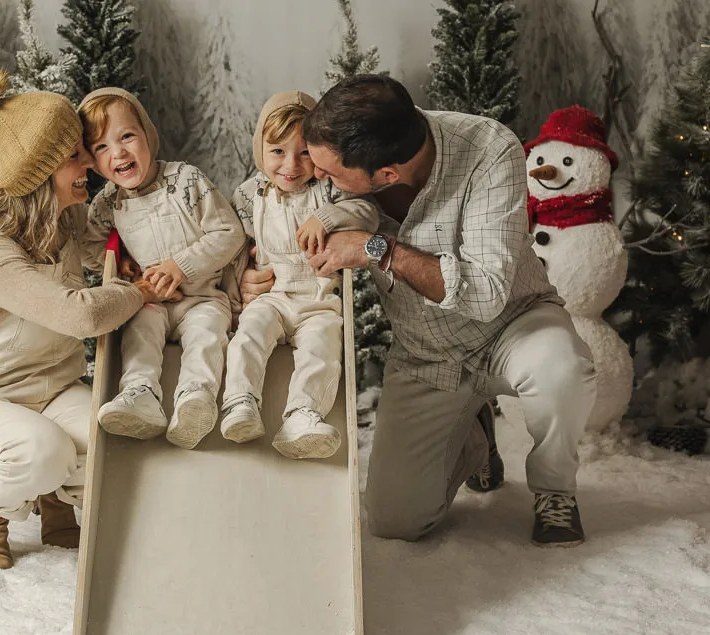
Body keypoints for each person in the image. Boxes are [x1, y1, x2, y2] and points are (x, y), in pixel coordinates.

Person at [241, 74, 596, 548]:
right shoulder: (336, 157)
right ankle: (474, 437)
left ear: (385, 177)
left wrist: (376, 248)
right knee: (395, 520)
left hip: (514, 322)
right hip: (427, 352)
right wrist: (245, 273)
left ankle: (554, 490)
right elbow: (267, 231)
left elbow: (488, 292)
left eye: (329, 174)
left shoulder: (489, 147)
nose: (316, 178)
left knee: (563, 368)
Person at [0, 70, 166, 572]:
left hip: (52, 391)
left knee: (117, 444)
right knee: (43, 448)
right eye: (75, 155)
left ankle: (56, 499)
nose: (88, 164)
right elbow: (77, 315)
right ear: (39, 174)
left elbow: (138, 234)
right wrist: (135, 291)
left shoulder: (68, 221)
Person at [78, 88, 245, 450]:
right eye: (102, 147)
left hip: (201, 297)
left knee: (207, 336)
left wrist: (181, 266)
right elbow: (89, 247)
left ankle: (195, 398)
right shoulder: (108, 201)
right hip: (149, 300)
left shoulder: (185, 180)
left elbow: (230, 231)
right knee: (138, 332)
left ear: (147, 136)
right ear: (91, 159)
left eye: (126, 137)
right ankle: (140, 395)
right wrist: (123, 266)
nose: (118, 152)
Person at [221, 91, 380, 459]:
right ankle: (240, 401)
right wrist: (237, 292)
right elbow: (232, 250)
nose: (291, 164)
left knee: (322, 349)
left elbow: (366, 214)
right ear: (260, 148)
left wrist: (325, 217)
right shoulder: (249, 195)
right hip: (272, 296)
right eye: (277, 151)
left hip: (318, 299)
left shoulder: (329, 188)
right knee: (248, 336)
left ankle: (302, 415)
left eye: (305, 152)